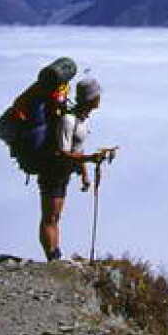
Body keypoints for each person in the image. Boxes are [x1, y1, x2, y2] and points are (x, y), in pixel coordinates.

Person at [36, 75, 103, 261]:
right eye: (97, 96)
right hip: (52, 172)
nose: (100, 99)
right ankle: (52, 257)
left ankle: (54, 254)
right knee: (50, 217)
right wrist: (89, 159)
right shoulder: (68, 120)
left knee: (55, 217)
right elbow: (63, 152)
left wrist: (84, 174)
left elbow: (77, 149)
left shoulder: (81, 120)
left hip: (63, 173)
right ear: (91, 98)